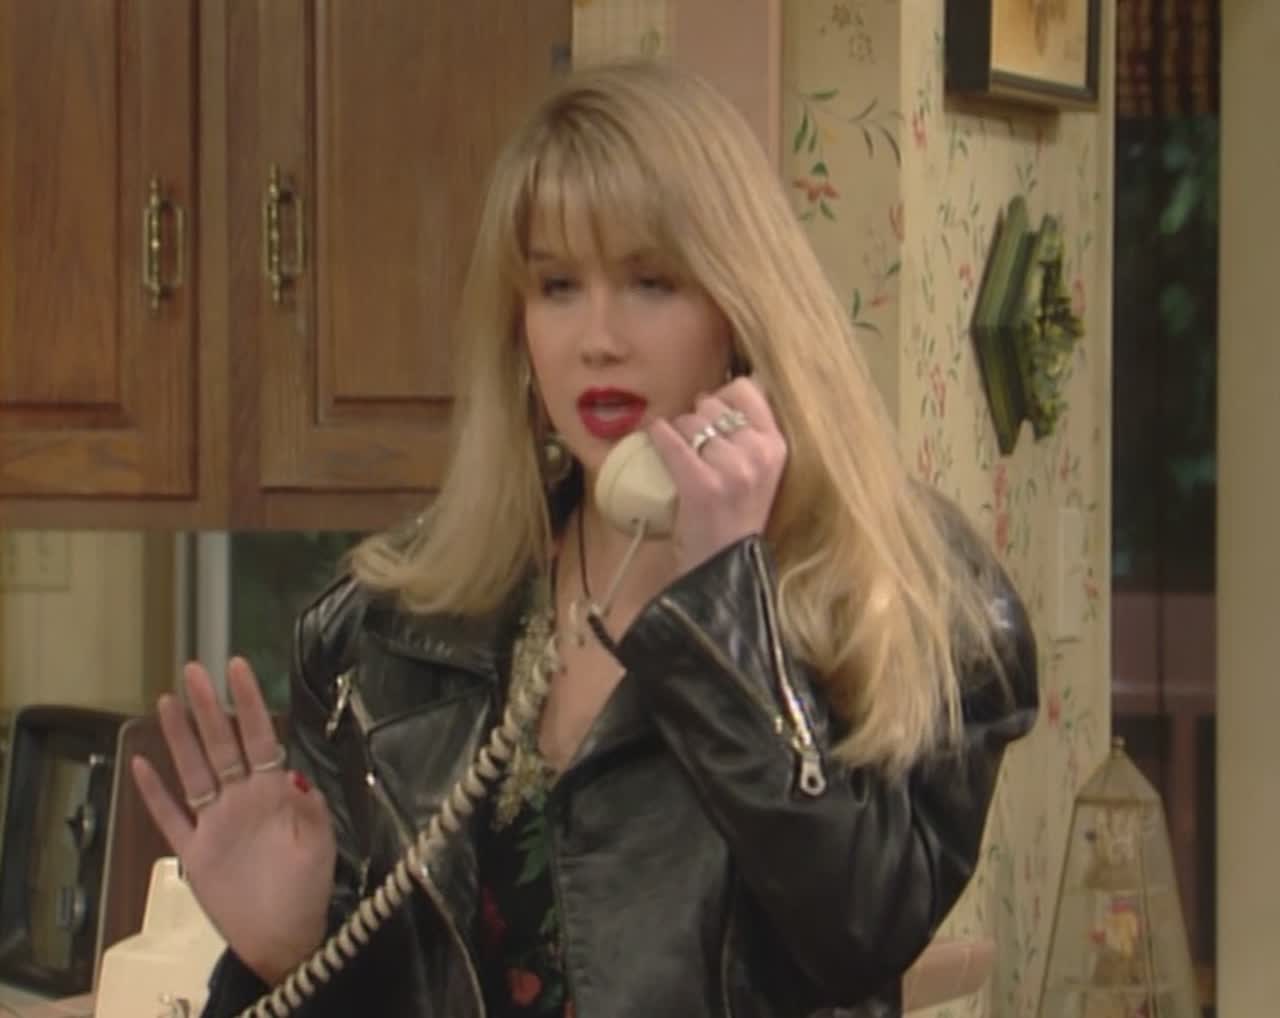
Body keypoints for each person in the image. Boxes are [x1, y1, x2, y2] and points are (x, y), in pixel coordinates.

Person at [133, 59, 1038, 1018]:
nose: (598, 338)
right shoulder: (383, 628)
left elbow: (860, 932)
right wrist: (282, 958)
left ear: (740, 313)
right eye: (558, 286)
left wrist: (727, 608)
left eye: (650, 282)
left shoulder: (911, 599)